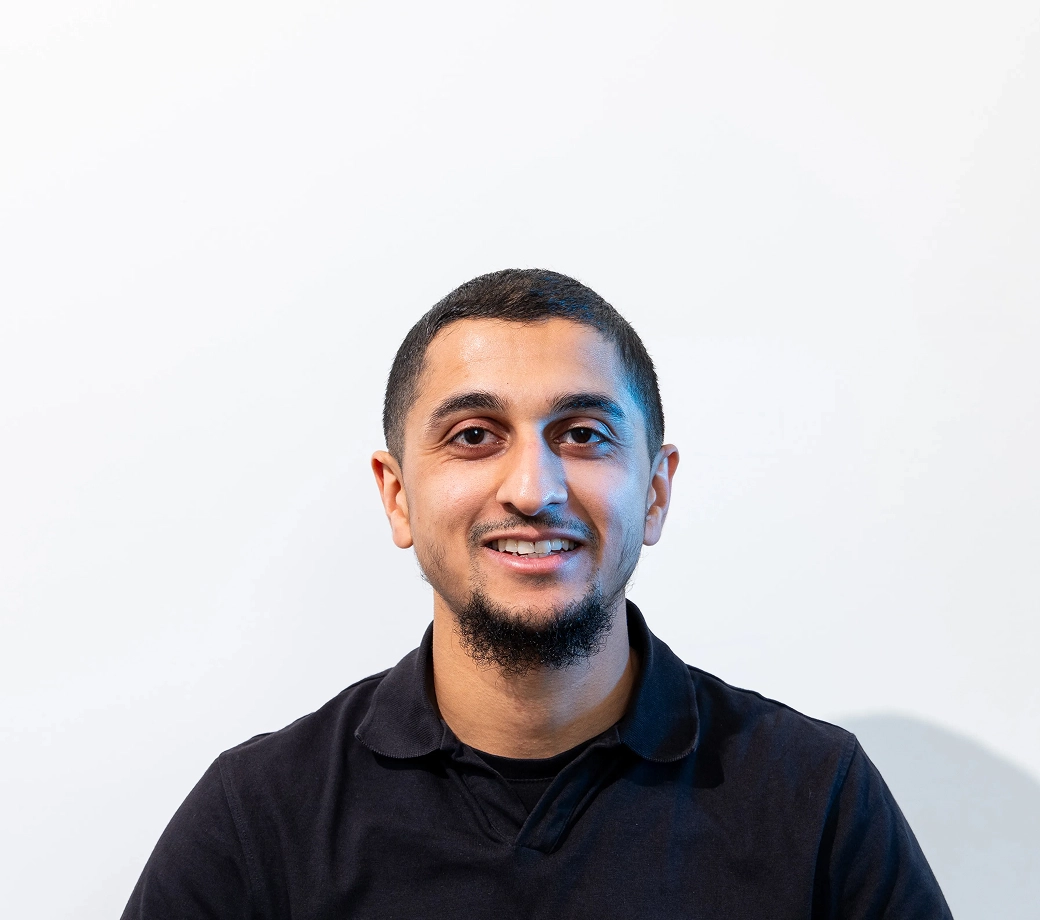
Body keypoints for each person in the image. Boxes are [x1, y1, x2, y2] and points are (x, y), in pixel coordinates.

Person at [122, 269, 952, 919]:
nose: (532, 488)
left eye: (583, 435)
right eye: (474, 436)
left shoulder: (814, 798)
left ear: (655, 491)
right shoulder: (260, 816)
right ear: (398, 496)